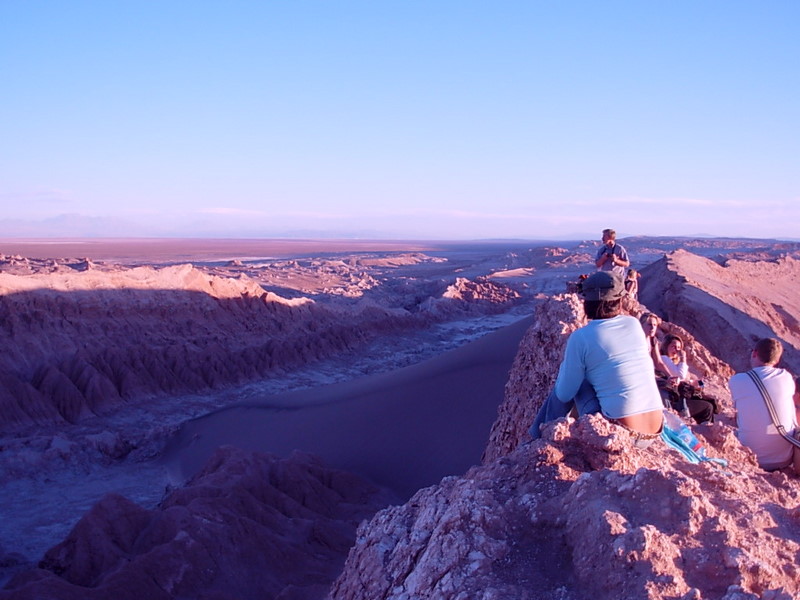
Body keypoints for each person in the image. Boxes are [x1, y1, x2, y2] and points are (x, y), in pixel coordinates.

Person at [529, 271, 663, 445]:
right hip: (653, 432)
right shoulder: (634, 324)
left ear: (587, 302)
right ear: (619, 300)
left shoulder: (581, 337)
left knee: (574, 381)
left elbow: (564, 394)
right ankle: (537, 435)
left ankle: (539, 438)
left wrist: (566, 368)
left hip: (620, 434)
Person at [729, 338, 798, 471]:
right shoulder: (787, 377)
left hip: (750, 458)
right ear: (777, 360)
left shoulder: (737, 380)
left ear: (754, 353)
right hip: (785, 459)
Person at [659, 334, 714, 423]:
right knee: (707, 407)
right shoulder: (664, 359)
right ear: (666, 347)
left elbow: (688, 379)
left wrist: (698, 383)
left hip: (679, 396)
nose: (677, 350)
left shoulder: (675, 363)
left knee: (708, 404)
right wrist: (683, 358)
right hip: (674, 400)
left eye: (679, 347)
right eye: (673, 346)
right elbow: (681, 375)